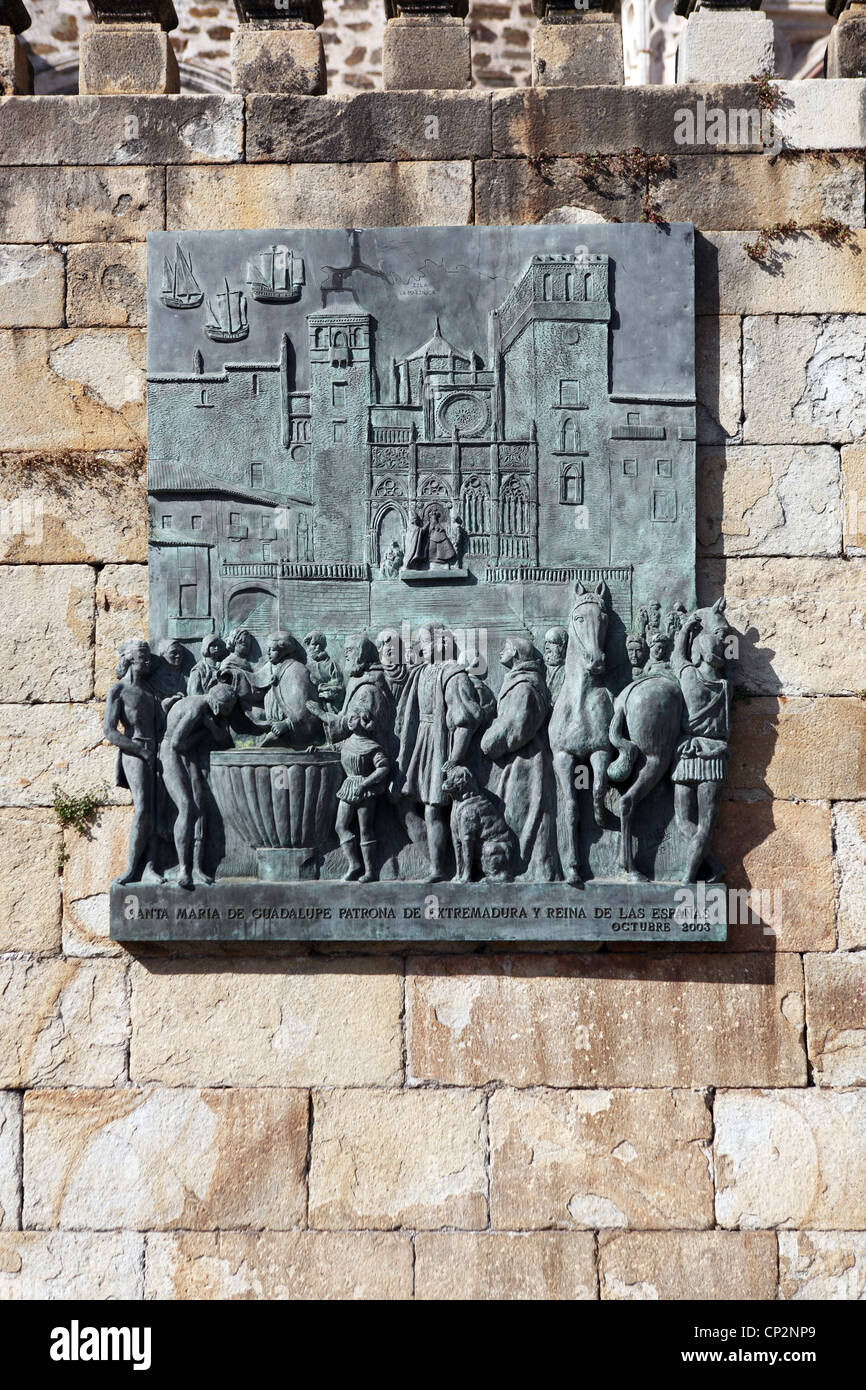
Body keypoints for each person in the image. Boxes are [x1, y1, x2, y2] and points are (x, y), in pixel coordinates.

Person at [393, 624, 483, 881]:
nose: (420, 647)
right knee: (404, 805)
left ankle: (440, 869)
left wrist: (454, 759)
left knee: (433, 809)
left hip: (440, 746)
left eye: (424, 642)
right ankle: (438, 860)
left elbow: (464, 720)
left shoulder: (454, 675)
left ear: (440, 643)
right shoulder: (420, 673)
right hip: (419, 744)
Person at [480, 637, 557, 881]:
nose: (500, 650)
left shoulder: (525, 687)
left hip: (527, 762)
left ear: (515, 653)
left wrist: (488, 743)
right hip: (518, 761)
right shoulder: (518, 682)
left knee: (524, 815)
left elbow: (516, 728)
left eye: (505, 647)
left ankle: (525, 871)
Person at [670, 599, 732, 883]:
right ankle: (701, 871)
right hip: (713, 757)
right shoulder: (725, 687)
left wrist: (686, 629)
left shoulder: (687, 676)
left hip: (687, 753)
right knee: (704, 826)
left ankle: (687, 879)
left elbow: (676, 658)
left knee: (684, 823)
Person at [161, 684, 237, 889]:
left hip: (188, 756)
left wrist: (210, 728)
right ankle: (183, 869)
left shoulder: (206, 711)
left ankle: (197, 868)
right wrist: (206, 732)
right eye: (227, 708)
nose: (228, 713)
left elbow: (221, 738)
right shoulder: (196, 709)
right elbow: (177, 742)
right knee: (186, 807)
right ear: (216, 702)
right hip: (172, 755)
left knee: (199, 808)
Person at [103, 638, 163, 885]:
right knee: (142, 809)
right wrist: (140, 750)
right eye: (142, 655)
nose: (147, 660)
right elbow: (110, 730)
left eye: (149, 656)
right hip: (134, 751)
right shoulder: (118, 690)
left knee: (156, 810)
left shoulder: (150, 690)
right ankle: (131, 868)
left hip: (156, 749)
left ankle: (150, 867)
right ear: (129, 658)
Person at [335, 699, 390, 882]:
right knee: (340, 826)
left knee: (365, 829)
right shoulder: (347, 742)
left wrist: (365, 783)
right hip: (348, 786)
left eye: (353, 718)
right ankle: (353, 864)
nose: (349, 721)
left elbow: (383, 768)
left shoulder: (371, 746)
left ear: (362, 720)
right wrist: (316, 749)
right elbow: (334, 749)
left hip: (365, 790)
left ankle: (370, 871)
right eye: (349, 718)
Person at [246, 630, 322, 748]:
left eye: (272, 649)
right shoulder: (270, 667)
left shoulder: (297, 670)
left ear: (284, 650)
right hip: (271, 725)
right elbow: (255, 681)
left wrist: (287, 724)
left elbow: (306, 706)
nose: (268, 652)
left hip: (289, 731)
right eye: (268, 649)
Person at [303, 630, 344, 715]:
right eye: (314, 644)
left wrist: (321, 688)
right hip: (307, 705)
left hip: (327, 706)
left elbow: (338, 685)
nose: (317, 648)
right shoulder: (303, 664)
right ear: (308, 645)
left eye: (320, 645)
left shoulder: (331, 664)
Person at [220, 626, 257, 700]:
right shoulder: (228, 662)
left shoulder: (245, 661)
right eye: (244, 644)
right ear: (234, 643)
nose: (248, 647)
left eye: (248, 645)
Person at [543, 626, 569, 705]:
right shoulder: (541, 667)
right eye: (546, 642)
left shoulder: (568, 671)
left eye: (552, 642)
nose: (547, 647)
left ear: (563, 646)